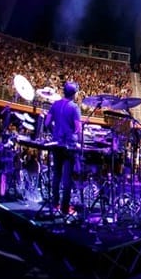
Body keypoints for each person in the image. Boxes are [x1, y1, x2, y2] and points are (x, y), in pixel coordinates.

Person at [44, 81, 82, 214]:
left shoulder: (55, 104)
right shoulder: (74, 107)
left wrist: (55, 131)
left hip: (56, 144)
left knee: (56, 175)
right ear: (74, 94)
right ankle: (65, 208)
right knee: (67, 178)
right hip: (69, 146)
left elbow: (47, 122)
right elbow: (78, 128)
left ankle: (54, 204)